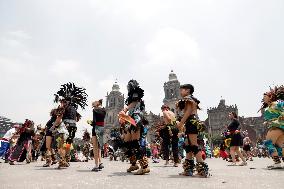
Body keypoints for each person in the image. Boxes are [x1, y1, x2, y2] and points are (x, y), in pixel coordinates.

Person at [176, 84, 209, 177]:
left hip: (191, 122)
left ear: (188, 90)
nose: (180, 92)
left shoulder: (189, 99)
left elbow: (188, 112)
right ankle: (188, 170)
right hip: (190, 123)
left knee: (194, 146)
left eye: (182, 90)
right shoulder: (190, 99)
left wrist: (180, 123)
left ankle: (202, 170)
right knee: (188, 145)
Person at [53, 82, 88, 168]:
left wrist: (54, 126)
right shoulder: (74, 109)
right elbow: (77, 119)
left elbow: (59, 118)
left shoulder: (63, 108)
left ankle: (62, 160)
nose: (62, 103)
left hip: (65, 127)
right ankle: (67, 160)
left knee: (61, 144)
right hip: (73, 127)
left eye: (63, 101)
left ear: (66, 101)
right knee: (68, 144)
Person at [119, 80, 150, 175]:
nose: (128, 87)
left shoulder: (136, 94)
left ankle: (145, 166)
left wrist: (124, 110)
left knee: (135, 143)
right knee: (127, 143)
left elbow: (133, 103)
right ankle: (133, 164)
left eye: (129, 86)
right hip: (131, 119)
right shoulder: (131, 96)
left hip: (136, 119)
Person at [260, 86, 284, 169]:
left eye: (264, 97)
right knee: (277, 146)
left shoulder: (277, 103)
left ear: (270, 97)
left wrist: (276, 121)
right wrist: (268, 121)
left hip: (277, 126)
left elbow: (283, 113)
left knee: (268, 143)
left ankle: (277, 163)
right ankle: (277, 162)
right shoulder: (270, 106)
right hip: (278, 127)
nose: (263, 98)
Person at [90, 99, 106, 172]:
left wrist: (91, 123)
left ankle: (96, 165)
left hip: (96, 128)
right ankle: (100, 163)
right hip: (103, 129)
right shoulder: (105, 110)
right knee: (99, 147)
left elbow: (94, 121)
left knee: (95, 147)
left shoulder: (95, 110)